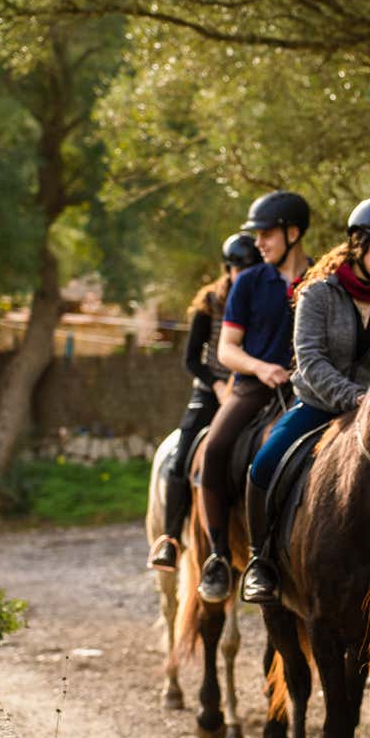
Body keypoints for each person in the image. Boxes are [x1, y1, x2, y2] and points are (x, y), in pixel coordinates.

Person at [238, 195, 370, 604]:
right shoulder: (317, 293)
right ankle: (262, 561)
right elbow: (310, 360)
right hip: (318, 406)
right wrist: (357, 397)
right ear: (359, 243)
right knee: (264, 463)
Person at [194, 189, 312, 602]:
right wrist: (261, 367)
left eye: (266, 234)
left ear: (293, 233)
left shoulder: (321, 279)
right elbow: (227, 348)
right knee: (214, 448)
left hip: (308, 389)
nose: (258, 242)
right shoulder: (247, 282)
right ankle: (219, 555)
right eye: (257, 235)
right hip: (252, 386)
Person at [148, 231, 262, 570]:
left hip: (250, 387)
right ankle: (169, 537)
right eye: (237, 269)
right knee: (181, 455)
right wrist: (215, 384)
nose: (243, 275)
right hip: (211, 391)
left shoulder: (266, 302)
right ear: (227, 270)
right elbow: (191, 359)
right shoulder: (208, 303)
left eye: (250, 268)